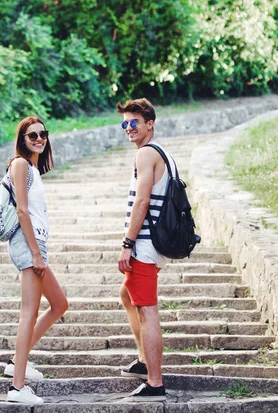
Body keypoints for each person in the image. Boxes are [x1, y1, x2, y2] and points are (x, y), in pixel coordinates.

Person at [3, 116, 68, 406]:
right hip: (28, 245)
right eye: (32, 135)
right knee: (29, 311)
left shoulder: (31, 169)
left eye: (43, 134)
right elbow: (22, 212)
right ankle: (18, 387)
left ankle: (19, 360)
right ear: (22, 139)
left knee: (59, 304)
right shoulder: (19, 164)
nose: (39, 139)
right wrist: (36, 254)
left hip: (35, 244)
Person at [117, 97, 174, 402]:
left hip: (146, 242)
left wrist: (128, 243)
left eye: (134, 122)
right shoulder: (161, 152)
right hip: (156, 242)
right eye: (125, 123)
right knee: (128, 295)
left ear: (149, 124)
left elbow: (142, 202)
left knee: (146, 307)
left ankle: (154, 382)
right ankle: (143, 358)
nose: (128, 128)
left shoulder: (146, 155)